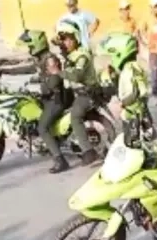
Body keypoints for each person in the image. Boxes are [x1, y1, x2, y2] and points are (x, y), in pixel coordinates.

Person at [0, 30, 72, 173]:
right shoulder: (41, 59)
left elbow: (54, 80)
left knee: (43, 128)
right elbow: (26, 69)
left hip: (56, 100)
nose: (29, 50)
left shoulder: (50, 59)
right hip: (48, 98)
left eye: (30, 47)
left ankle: (60, 160)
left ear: (37, 45)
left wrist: (39, 81)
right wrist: (5, 71)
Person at [56, 21, 101, 166]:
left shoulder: (82, 55)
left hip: (87, 93)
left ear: (76, 38)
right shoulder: (71, 55)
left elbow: (77, 75)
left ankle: (89, 152)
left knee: (75, 116)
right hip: (77, 92)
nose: (66, 43)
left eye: (69, 39)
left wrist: (59, 72)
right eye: (64, 40)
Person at [100, 32, 151, 147]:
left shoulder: (128, 71)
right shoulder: (133, 66)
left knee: (131, 142)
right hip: (138, 109)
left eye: (112, 56)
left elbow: (134, 92)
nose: (111, 60)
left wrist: (123, 103)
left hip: (131, 112)